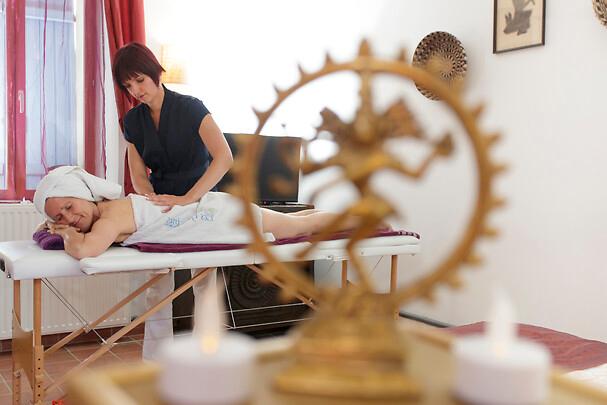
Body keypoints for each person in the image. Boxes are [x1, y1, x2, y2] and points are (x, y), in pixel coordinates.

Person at [111, 42, 234, 359]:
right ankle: (156, 360)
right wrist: (151, 199)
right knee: (156, 286)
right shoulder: (133, 121)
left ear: (155, 73)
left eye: (140, 80)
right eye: (128, 85)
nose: (136, 90)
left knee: (205, 283)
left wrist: (188, 198)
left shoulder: (191, 108)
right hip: (162, 204)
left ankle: (207, 355)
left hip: (199, 201)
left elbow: (224, 157)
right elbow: (138, 173)